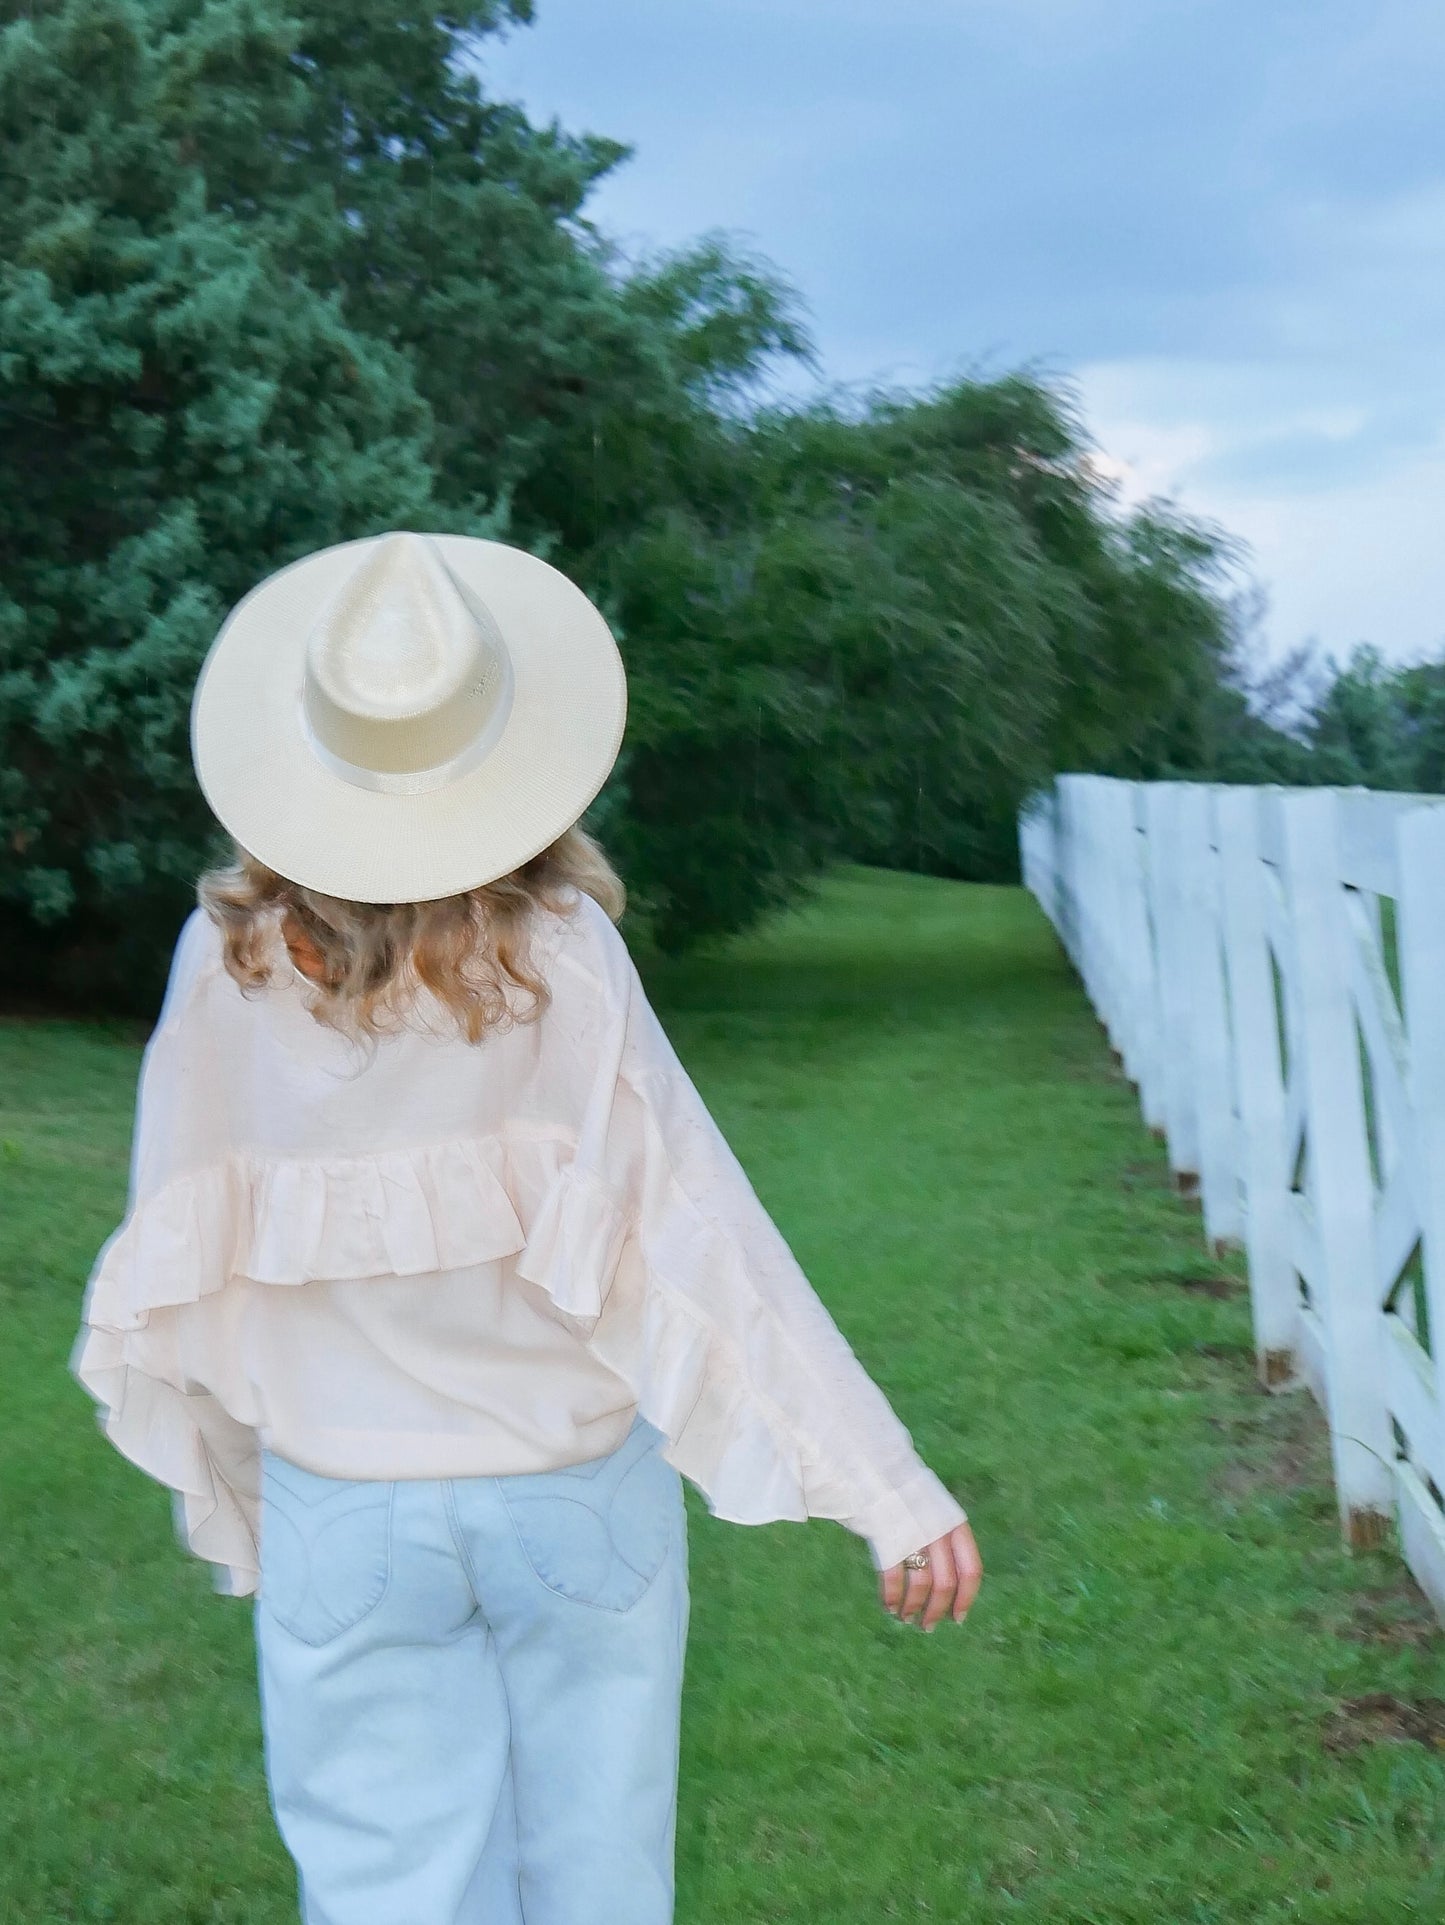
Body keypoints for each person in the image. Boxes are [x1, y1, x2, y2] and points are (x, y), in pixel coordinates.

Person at [71, 530, 983, 1925]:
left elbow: (181, 1253)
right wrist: (885, 1482)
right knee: (600, 1886)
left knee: (383, 1895)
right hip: (573, 1500)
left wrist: (255, 1489)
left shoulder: (225, 960)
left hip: (344, 1505)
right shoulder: (556, 951)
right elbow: (696, 1230)